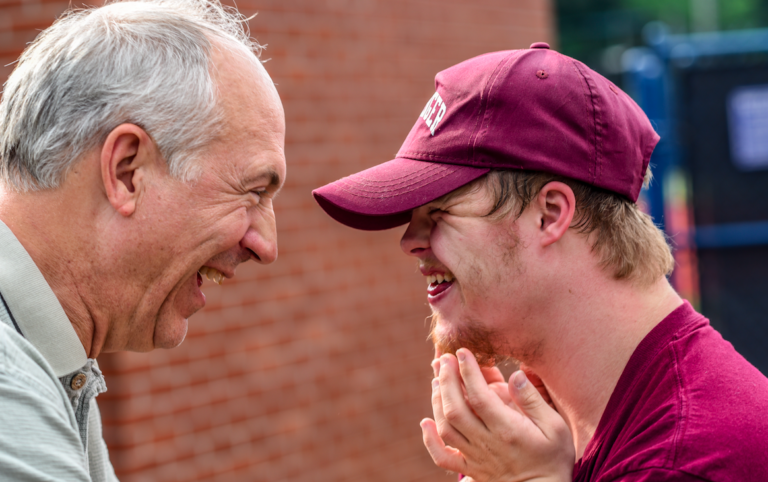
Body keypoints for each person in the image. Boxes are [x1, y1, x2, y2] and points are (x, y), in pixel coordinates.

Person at [313, 43, 768, 481]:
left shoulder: (682, 461)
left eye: (439, 212)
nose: (410, 242)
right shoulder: (568, 423)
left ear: (549, 214)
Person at [0, 1, 285, 480]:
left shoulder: (51, 367)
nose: (266, 246)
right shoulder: (10, 387)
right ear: (127, 171)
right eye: (253, 191)